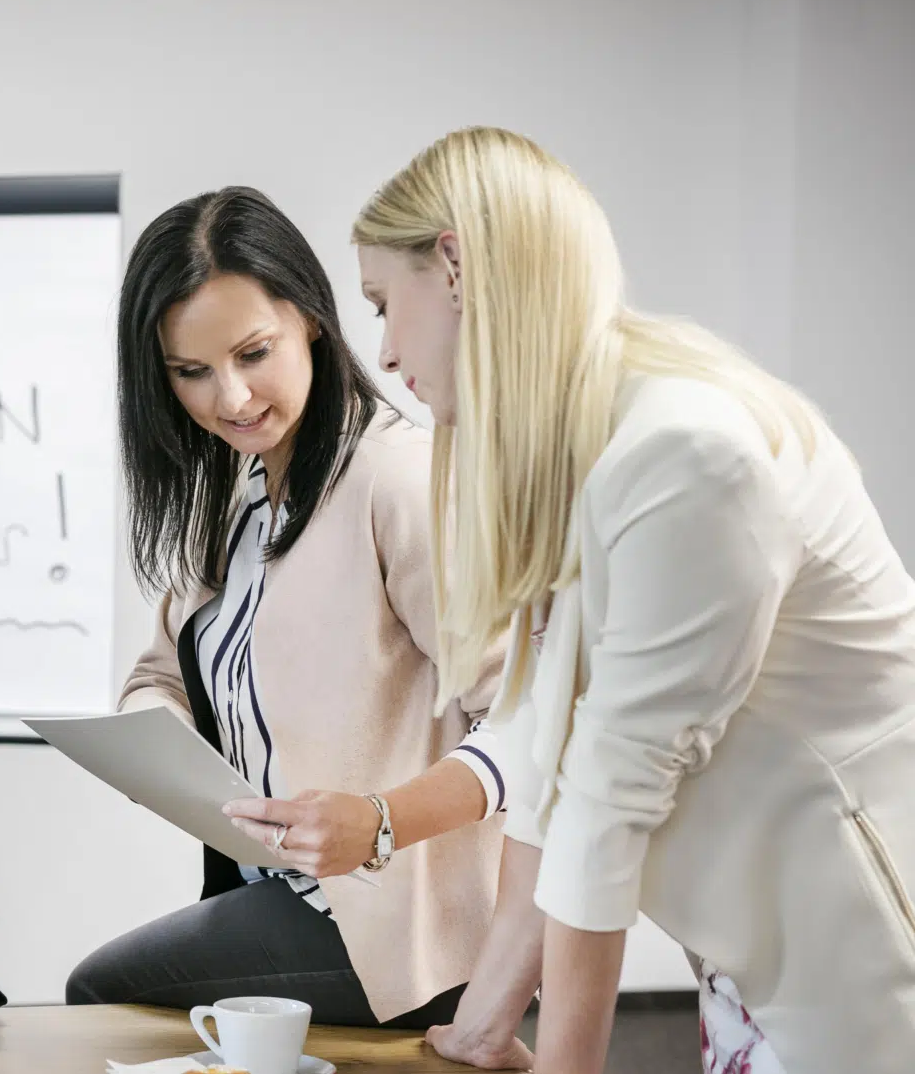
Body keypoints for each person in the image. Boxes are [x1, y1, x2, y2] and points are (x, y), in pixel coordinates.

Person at [355, 125, 915, 1074]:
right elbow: (547, 756)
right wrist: (485, 1025)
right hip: (759, 963)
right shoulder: (597, 446)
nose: (383, 347)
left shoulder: (683, 453)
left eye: (381, 302)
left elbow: (607, 807)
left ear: (454, 263)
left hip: (859, 973)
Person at [65, 187, 509, 1030]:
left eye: (252, 352)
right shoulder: (240, 490)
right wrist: (151, 744)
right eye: (191, 372)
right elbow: (160, 671)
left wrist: (377, 824)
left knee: (101, 1001)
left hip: (389, 925)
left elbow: (524, 722)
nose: (229, 398)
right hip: (286, 895)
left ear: (309, 315)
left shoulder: (395, 481)